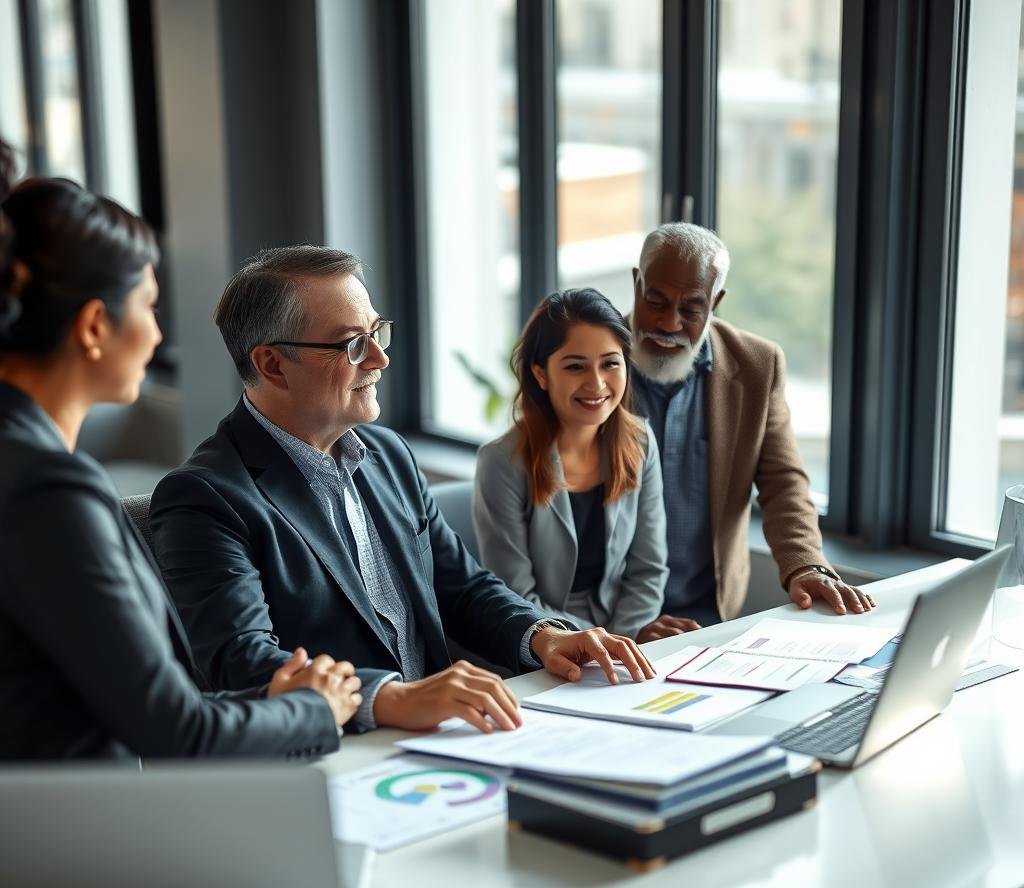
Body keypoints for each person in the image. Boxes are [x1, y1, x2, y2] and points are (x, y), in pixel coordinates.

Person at [150, 247, 654, 737]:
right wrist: (387, 698)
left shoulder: (387, 454)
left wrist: (542, 635)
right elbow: (243, 664)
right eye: (353, 344)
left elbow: (462, 587)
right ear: (273, 365)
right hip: (335, 754)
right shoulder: (204, 499)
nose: (381, 358)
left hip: (443, 735)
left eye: (377, 332)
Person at [0, 173, 362, 760]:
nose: (158, 333)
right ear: (94, 326)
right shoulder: (47, 490)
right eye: (148, 305)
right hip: (76, 834)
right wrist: (316, 708)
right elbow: (175, 729)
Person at [628, 222, 876, 631]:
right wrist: (622, 623)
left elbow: (784, 482)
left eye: (690, 308)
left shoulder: (758, 364)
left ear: (716, 300)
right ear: (637, 284)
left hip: (709, 610)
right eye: (655, 300)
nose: (669, 323)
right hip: (607, 614)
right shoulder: (590, 362)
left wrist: (806, 565)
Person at [474, 288, 688, 645]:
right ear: (541, 374)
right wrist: (596, 640)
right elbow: (516, 596)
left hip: (626, 637)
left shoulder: (640, 442)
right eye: (575, 366)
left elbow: (648, 569)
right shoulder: (501, 462)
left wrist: (627, 637)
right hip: (542, 643)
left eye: (610, 363)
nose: (597, 384)